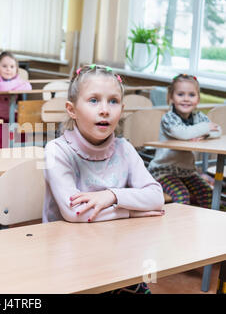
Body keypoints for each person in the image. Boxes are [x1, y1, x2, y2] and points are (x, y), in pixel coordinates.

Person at [42, 64, 165, 294]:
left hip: (118, 255)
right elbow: (75, 213)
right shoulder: (57, 151)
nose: (105, 110)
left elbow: (156, 197)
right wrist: (132, 210)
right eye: (94, 100)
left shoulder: (124, 148)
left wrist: (111, 196)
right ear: (72, 109)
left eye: (113, 101)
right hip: (69, 261)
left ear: (122, 109)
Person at [148, 74, 222, 208]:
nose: (186, 99)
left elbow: (218, 130)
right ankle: (178, 226)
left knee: (207, 193)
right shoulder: (169, 118)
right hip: (163, 171)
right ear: (171, 97)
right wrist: (204, 128)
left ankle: (203, 224)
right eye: (180, 94)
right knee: (182, 195)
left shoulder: (198, 117)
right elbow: (183, 133)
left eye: (191, 95)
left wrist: (205, 135)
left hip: (187, 171)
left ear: (198, 99)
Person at [0, 51, 32, 148]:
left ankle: (18, 155)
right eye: (4, 66)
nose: (8, 69)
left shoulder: (17, 79)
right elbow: (2, 88)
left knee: (23, 135)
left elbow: (28, 87)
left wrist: (14, 84)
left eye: (12, 67)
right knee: (3, 141)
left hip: (12, 116)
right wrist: (18, 83)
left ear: (16, 69)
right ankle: (3, 159)